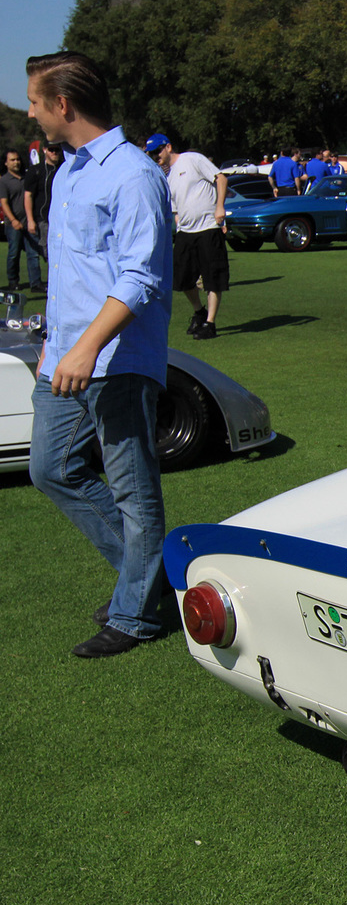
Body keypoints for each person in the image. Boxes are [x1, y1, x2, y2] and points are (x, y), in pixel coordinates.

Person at [25, 50, 173, 657]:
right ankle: (146, 582)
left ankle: (135, 612)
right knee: (50, 470)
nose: (31, 113)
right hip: (64, 356)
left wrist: (86, 346)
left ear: (63, 104)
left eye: (35, 101)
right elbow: (72, 276)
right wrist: (56, 349)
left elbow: (141, 278)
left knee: (134, 491)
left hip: (116, 360)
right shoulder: (68, 173)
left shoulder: (134, 174)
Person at [144, 134, 228, 340]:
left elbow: (221, 178)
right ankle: (199, 311)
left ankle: (210, 323)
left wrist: (220, 207)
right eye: (152, 154)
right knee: (181, 279)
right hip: (186, 232)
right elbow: (175, 208)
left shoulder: (192, 159)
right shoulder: (168, 176)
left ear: (168, 147)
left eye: (158, 151)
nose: (156, 156)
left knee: (212, 279)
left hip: (208, 227)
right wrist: (179, 223)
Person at [2, 149, 43, 291]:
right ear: (6, 163)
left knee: (33, 254)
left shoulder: (27, 177)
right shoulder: (4, 181)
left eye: (17, 159)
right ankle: (13, 281)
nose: (16, 162)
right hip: (13, 224)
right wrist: (13, 220)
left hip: (29, 222)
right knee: (14, 253)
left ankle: (36, 283)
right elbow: (4, 203)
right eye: (12, 160)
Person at [23, 142, 62, 269]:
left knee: (60, 254)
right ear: (45, 150)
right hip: (43, 218)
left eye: (57, 150)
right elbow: (28, 195)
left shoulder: (63, 169)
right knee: (45, 252)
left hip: (61, 219)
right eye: (52, 150)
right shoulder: (36, 170)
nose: (54, 152)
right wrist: (30, 220)